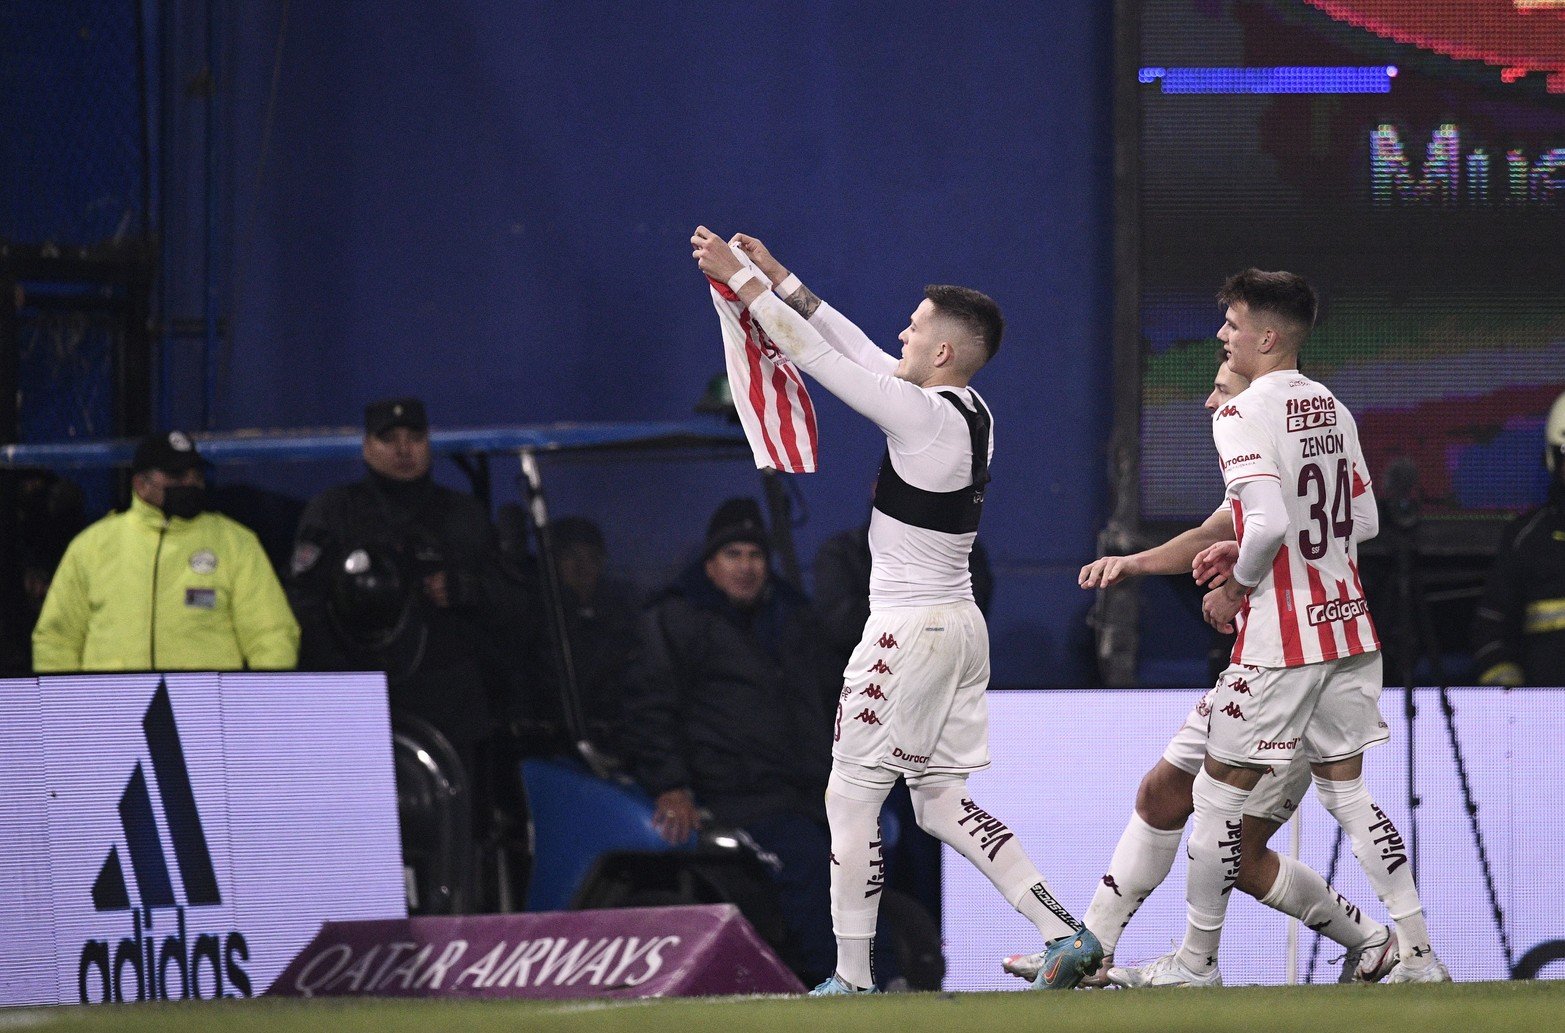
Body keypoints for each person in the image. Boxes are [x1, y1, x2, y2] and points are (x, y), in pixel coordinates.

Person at [691, 227, 1100, 994]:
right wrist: (782, 278)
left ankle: (851, 977)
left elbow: (818, 360)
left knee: (848, 795)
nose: (901, 334)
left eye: (914, 326)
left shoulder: (924, 418)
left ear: (942, 352)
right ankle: (1063, 930)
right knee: (941, 805)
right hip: (955, 626)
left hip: (908, 631)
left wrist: (740, 285)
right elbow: (850, 347)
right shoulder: (964, 408)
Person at [1004, 357, 1397, 987]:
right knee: (1161, 791)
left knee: (1236, 852)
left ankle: (1367, 941)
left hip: (1296, 669)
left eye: (1220, 391)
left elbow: (1275, 536)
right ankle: (1088, 951)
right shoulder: (1271, 460)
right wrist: (1131, 564)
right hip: (1258, 663)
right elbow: (1215, 531)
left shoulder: (1260, 438)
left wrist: (1238, 583)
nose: (1212, 405)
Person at [1109, 270, 1447, 987]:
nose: (1223, 336)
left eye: (1231, 324)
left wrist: (1237, 581)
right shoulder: (1330, 405)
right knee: (1350, 800)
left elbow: (1261, 521)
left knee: (1216, 801)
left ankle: (1195, 963)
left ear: (1265, 336)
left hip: (1281, 645)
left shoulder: (1238, 413)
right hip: (1349, 629)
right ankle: (1416, 953)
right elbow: (1363, 520)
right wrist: (1272, 546)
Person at [619, 497, 845, 985]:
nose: (746, 567)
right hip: (736, 796)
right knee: (813, 864)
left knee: (866, 855)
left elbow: (831, 697)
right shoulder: (674, 619)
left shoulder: (793, 615)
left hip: (806, 790)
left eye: (755, 556)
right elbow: (649, 708)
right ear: (710, 564)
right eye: (733, 555)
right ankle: (846, 984)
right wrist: (670, 783)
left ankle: (894, 977)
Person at [287, 397, 530, 771]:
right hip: (360, 702)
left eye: (414, 437)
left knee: (451, 826)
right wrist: (339, 686)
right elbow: (305, 605)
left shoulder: (465, 516)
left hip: (450, 709)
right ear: (368, 447)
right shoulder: (335, 511)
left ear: (428, 443)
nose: (403, 449)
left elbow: (515, 604)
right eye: (390, 439)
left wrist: (469, 590)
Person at [33, 432, 299, 671]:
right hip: (112, 712)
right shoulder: (92, 546)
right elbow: (57, 638)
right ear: (141, 484)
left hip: (203, 713)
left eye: (196, 475)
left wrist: (255, 706)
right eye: (177, 476)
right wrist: (66, 711)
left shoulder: (236, 544)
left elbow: (272, 635)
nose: (190, 483)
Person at [1471, 390, 1565, 686]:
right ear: (1554, 459)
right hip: (1545, 717)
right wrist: (1508, 690)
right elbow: (1490, 630)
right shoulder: (1526, 538)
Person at [551, 515, 640, 750]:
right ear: (555, 563)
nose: (583, 567)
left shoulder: (625, 618)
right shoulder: (543, 619)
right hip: (558, 745)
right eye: (572, 556)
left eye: (592, 557)